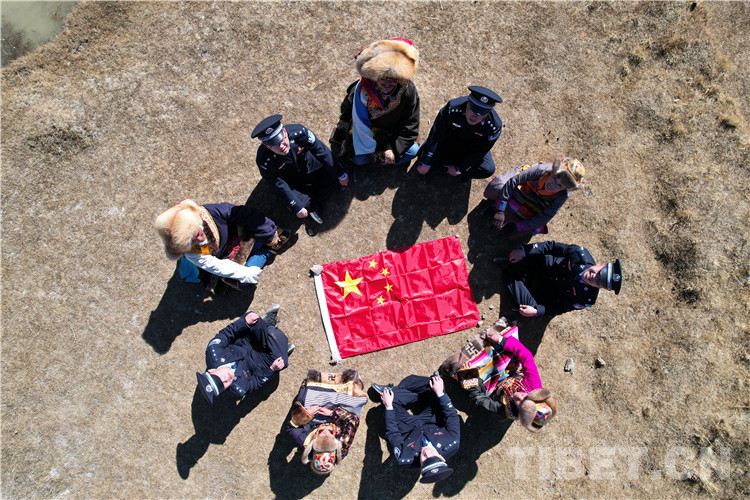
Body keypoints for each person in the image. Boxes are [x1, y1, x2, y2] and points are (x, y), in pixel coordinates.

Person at [439, 319, 557, 433]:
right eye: (526, 397)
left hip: (493, 388)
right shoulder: (535, 386)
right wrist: (501, 340)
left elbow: (479, 399)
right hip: (510, 372)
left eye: (521, 404)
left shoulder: (503, 410)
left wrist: (469, 375)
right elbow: (526, 357)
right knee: (508, 351)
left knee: (466, 372)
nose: (520, 397)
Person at [154, 199, 292, 287]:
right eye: (192, 241)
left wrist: (268, 234)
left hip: (239, 233)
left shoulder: (210, 212)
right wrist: (245, 273)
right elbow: (216, 266)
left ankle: (264, 247)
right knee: (243, 280)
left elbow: (242, 213)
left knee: (263, 233)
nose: (200, 240)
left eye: (198, 234)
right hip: (227, 255)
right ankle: (265, 253)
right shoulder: (191, 253)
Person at [329, 38, 420, 169]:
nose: (388, 84)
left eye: (394, 80)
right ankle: (377, 160)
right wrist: (368, 149)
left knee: (413, 151)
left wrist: (391, 152)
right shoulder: (361, 91)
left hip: (392, 134)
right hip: (366, 133)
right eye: (383, 78)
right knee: (359, 160)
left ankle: (379, 160)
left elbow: (411, 123)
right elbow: (354, 119)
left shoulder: (408, 91)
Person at [252, 114, 348, 234]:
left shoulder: (300, 133)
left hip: (309, 165)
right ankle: (312, 206)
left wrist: (341, 174)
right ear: (266, 145)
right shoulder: (264, 161)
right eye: (274, 144)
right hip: (291, 181)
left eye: (281, 140)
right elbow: (277, 183)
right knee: (299, 205)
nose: (281, 146)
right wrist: (296, 206)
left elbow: (321, 150)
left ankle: (316, 198)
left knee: (335, 172)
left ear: (285, 132)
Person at [196, 304, 294, 403]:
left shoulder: (213, 352)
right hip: (257, 361)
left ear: (211, 371)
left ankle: (268, 325)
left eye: (219, 378)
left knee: (254, 319)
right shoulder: (238, 389)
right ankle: (279, 347)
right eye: (223, 385)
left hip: (247, 340)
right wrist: (271, 369)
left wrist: (244, 322)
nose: (226, 379)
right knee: (282, 362)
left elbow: (227, 333)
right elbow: (256, 382)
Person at [498, 240, 622, 317]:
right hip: (544, 266)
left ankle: (510, 273)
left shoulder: (586, 299)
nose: (594, 277)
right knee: (528, 256)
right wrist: (524, 251)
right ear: (600, 265)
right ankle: (517, 273)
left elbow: (560, 307)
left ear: (600, 288)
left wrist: (537, 311)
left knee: (529, 307)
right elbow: (550, 247)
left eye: (598, 282)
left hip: (548, 291)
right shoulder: (579, 254)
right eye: (599, 272)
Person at [371, 375, 459, 483]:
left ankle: (394, 392)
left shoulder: (405, 458)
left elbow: (392, 434)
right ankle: (404, 392)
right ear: (442, 458)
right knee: (433, 384)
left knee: (391, 402)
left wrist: (388, 406)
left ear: (421, 467)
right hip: (431, 421)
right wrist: (440, 393)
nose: (427, 453)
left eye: (425, 460)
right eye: (433, 456)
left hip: (409, 428)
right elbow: (452, 416)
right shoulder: (452, 441)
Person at [286, 369, 367, 475]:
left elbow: (291, 428)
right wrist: (332, 414)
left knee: (303, 400)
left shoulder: (305, 441)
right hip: (336, 419)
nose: (325, 433)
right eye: (329, 437)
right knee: (356, 399)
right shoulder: (343, 443)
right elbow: (353, 420)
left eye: (321, 437)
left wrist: (306, 413)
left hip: (315, 420)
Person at [482, 156, 585, 238]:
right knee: (496, 187)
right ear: (553, 171)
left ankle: (507, 216)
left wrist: (518, 227)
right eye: (554, 178)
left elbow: (546, 216)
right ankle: (498, 209)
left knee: (516, 233)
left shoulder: (562, 196)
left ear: (565, 189)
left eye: (559, 185)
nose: (552, 185)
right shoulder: (542, 169)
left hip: (538, 202)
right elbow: (514, 181)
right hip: (523, 186)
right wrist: (500, 210)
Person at [415, 86, 502, 181]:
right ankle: (440, 168)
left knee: (487, 169)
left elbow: (480, 151)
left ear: (489, 112)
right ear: (468, 102)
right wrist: (426, 162)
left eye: (482, 113)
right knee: (423, 155)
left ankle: (460, 171)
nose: (475, 117)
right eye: (473, 110)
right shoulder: (452, 108)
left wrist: (459, 168)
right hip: (448, 142)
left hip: (470, 149)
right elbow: (436, 135)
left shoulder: (493, 126)